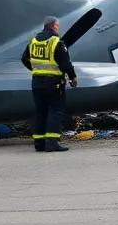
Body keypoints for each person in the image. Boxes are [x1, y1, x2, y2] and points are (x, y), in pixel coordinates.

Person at [21, 16, 78, 152]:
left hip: (37, 82)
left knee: (40, 112)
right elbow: (65, 64)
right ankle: (52, 142)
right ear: (55, 26)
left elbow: (24, 58)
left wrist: (35, 70)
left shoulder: (33, 42)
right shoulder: (56, 42)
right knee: (55, 111)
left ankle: (39, 143)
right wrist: (73, 77)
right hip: (54, 83)